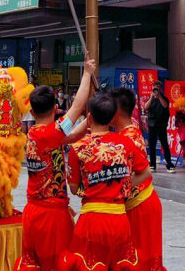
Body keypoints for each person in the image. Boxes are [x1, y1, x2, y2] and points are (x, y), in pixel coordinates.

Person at [14, 56, 95, 271]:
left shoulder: (34, 133)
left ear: (32, 112)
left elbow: (71, 136)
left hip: (32, 212)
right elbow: (77, 106)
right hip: (51, 217)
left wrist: (91, 119)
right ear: (57, 107)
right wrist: (86, 73)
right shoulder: (51, 133)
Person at [63, 93, 150, 271]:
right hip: (119, 219)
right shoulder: (125, 143)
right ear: (112, 119)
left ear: (89, 117)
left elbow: (72, 188)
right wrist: (123, 185)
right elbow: (146, 173)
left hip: (91, 220)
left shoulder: (78, 148)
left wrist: (91, 188)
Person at [112, 87, 165, 271]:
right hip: (136, 205)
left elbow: (145, 173)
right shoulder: (127, 127)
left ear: (117, 111)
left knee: (142, 262)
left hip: (141, 207)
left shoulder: (129, 137)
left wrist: (116, 189)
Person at [144, 86, 174, 172]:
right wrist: (151, 97)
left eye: (157, 89)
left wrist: (159, 97)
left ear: (160, 90)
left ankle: (169, 164)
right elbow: (146, 107)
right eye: (154, 89)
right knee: (152, 145)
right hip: (152, 125)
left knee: (164, 144)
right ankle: (152, 165)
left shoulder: (164, 98)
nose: (155, 91)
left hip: (161, 125)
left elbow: (165, 106)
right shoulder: (151, 99)